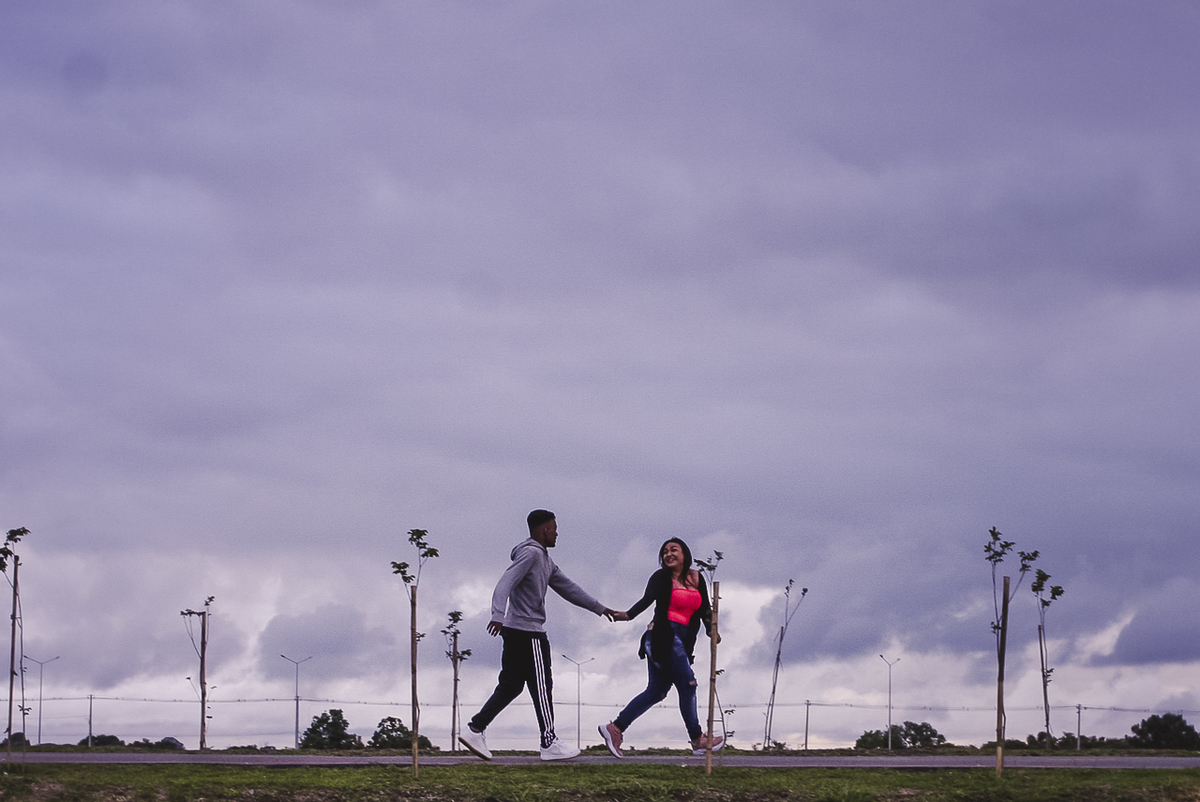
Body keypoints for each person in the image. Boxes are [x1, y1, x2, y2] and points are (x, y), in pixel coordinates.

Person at [459, 509, 621, 762]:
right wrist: (497, 613)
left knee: (511, 686)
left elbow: (569, 588)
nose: (557, 534)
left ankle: (474, 730)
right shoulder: (531, 553)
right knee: (542, 686)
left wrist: (601, 609)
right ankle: (549, 741)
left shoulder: (545, 560)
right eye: (554, 529)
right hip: (528, 633)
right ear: (544, 530)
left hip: (516, 632)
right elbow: (505, 582)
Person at [598, 537, 723, 758]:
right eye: (664, 552)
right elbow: (647, 599)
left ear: (685, 553)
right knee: (688, 685)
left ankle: (615, 729)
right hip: (662, 637)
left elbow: (705, 608)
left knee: (656, 691)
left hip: (682, 641)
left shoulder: (697, 578)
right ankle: (697, 739)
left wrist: (711, 629)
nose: (668, 554)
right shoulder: (661, 578)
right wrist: (627, 615)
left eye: (673, 550)